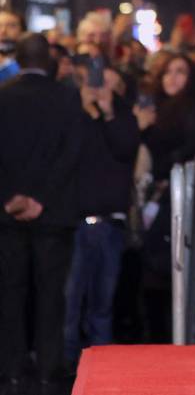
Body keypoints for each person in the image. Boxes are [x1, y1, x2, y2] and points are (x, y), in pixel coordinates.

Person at [0, 34, 85, 392]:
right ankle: (50, 367)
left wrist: (10, 198)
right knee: (51, 293)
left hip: (7, 215)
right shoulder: (66, 98)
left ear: (18, 59)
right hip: (53, 215)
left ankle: (11, 367)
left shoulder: (2, 97)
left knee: (10, 292)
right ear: (48, 59)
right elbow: (72, 155)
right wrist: (41, 199)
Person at [62, 61, 140, 372]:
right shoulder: (74, 119)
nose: (99, 89)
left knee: (102, 304)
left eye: (108, 84)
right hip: (75, 224)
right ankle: (65, 366)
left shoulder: (123, 120)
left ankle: (102, 367)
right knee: (69, 302)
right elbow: (67, 153)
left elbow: (126, 149)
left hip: (111, 225)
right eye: (96, 82)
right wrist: (82, 109)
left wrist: (108, 113)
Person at [133, 53, 195, 341]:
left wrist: (165, 171)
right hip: (147, 195)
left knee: (166, 265)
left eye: (181, 71)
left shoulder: (190, 110)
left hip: (172, 197)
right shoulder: (151, 108)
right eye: (167, 72)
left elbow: (191, 146)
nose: (173, 78)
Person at [0, 11, 24, 83]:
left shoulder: (28, 62)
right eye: (0, 25)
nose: (3, 31)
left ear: (22, 30)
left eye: (11, 26)